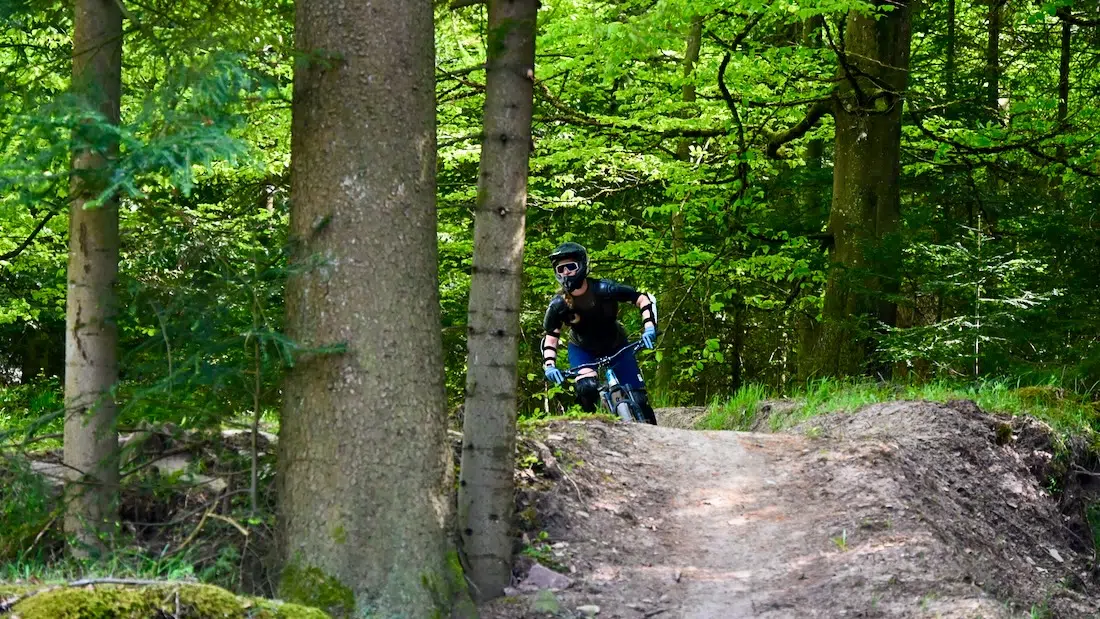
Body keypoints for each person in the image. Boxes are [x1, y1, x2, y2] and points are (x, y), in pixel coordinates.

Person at [541, 241, 659, 424]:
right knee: (586, 388)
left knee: (639, 399)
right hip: (582, 349)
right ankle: (592, 430)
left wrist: (649, 328)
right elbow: (551, 336)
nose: (565, 273)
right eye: (560, 269)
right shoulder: (558, 305)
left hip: (617, 344)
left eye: (570, 267)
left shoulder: (605, 289)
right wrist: (549, 365)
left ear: (582, 266)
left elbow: (642, 299)